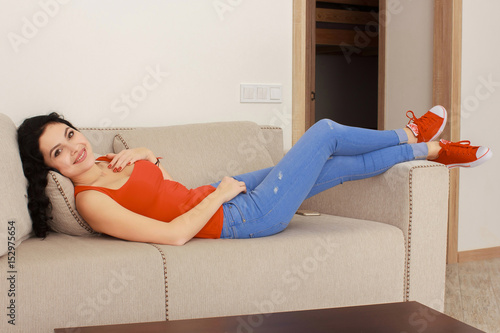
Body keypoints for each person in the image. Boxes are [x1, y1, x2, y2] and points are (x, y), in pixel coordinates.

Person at [17, 106, 492, 245]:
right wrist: (221, 194)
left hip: (223, 196)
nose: (74, 148)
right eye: (59, 151)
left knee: (338, 167)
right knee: (324, 131)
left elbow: (155, 174)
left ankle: (434, 150)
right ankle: (411, 132)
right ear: (50, 168)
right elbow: (173, 233)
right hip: (240, 217)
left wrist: (139, 150)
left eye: (70, 134)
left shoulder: (102, 163)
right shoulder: (90, 201)